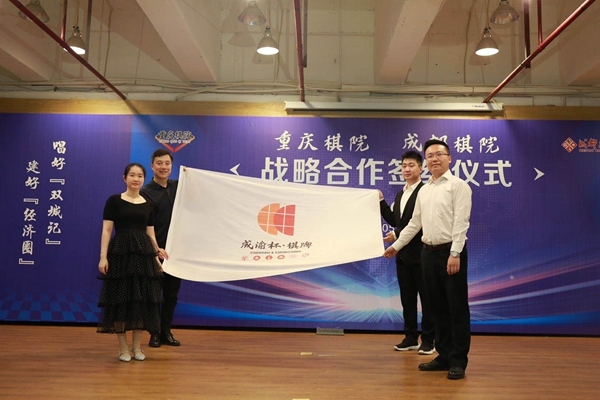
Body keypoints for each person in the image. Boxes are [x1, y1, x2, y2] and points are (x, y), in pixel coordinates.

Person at [383, 139, 472, 380]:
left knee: (456, 308)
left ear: (449, 158)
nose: (434, 159)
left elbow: (461, 222)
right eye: (430, 155)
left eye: (439, 154)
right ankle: (443, 356)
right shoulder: (424, 190)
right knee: (436, 308)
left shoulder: (458, 186)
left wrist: (455, 253)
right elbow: (415, 223)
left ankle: (458, 360)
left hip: (450, 253)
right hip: (427, 253)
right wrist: (396, 246)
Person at [97, 163, 167, 362]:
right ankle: (123, 348)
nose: (136, 179)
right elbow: (107, 231)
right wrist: (103, 256)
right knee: (120, 300)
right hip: (121, 254)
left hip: (143, 256)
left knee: (141, 302)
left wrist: (156, 254)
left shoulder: (148, 204)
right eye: (132, 175)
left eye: (140, 176)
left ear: (144, 179)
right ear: (124, 178)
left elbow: (150, 233)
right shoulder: (114, 201)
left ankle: (137, 347)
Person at [378, 150, 435, 355]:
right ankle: (411, 337)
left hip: (422, 255)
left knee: (427, 300)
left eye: (411, 165)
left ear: (421, 168)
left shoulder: (425, 191)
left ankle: (428, 340)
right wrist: (381, 201)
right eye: (404, 166)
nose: (407, 169)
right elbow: (396, 221)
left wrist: (396, 236)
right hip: (403, 256)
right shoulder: (401, 194)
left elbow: (420, 223)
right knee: (407, 299)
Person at [141, 149, 182, 347]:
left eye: (167, 163)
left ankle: (166, 331)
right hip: (154, 252)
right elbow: (144, 226)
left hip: (176, 253)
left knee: (171, 295)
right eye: (159, 163)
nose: (163, 167)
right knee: (153, 296)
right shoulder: (145, 192)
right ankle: (154, 333)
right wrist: (154, 249)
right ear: (152, 166)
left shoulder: (179, 188)